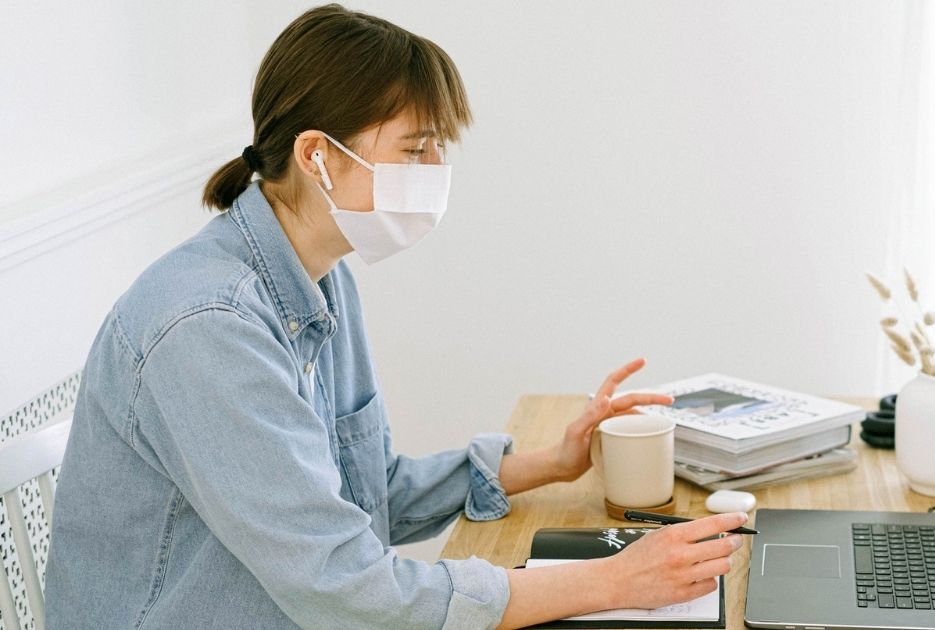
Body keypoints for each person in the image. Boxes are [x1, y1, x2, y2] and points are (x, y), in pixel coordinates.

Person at [42, 5, 745, 629]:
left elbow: (364, 494)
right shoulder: (206, 328)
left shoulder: (324, 280)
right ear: (317, 155)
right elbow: (347, 588)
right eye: (416, 150)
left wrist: (545, 464)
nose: (436, 169)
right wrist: (610, 580)